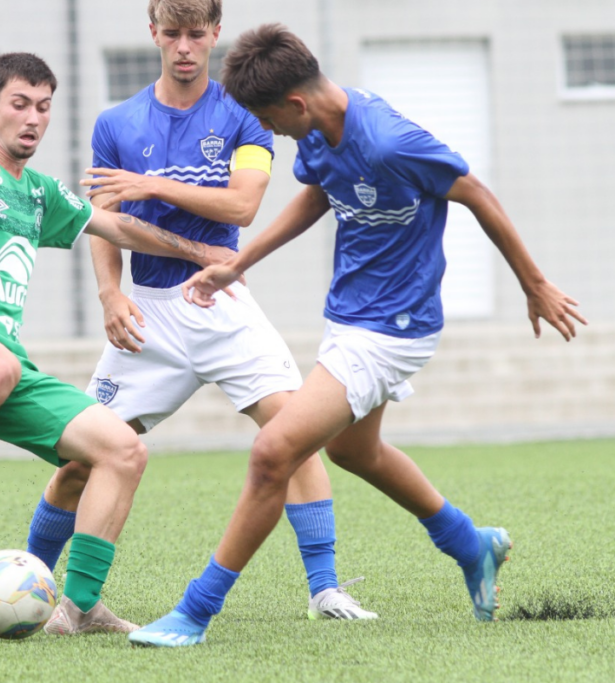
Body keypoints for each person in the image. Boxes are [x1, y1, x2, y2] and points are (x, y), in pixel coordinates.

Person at [130, 23, 587, 646]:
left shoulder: (391, 141)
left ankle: (194, 612)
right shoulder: (318, 128)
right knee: (352, 452)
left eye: (271, 120)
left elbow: (475, 192)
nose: (274, 133)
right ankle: (469, 544)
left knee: (273, 453)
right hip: (348, 316)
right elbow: (318, 193)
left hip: (396, 327)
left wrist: (533, 284)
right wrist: (240, 263)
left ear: (295, 103)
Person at [0, 0, 374, 624]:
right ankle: (26, 582)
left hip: (221, 302)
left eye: (197, 34)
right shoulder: (117, 123)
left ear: (215, 35)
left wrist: (151, 184)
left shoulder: (244, 112)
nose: (184, 46)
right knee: (82, 459)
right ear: (153, 34)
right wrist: (111, 293)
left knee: (295, 436)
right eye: (173, 34)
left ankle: (325, 589)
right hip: (149, 314)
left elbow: (243, 207)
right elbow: (100, 222)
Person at [0, 52, 235, 635]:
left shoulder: (39, 193)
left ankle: (78, 606)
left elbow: (119, 226)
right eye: (19, 104)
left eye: (43, 107)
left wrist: (206, 254)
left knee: (122, 450)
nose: (32, 118)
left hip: (3, 362)